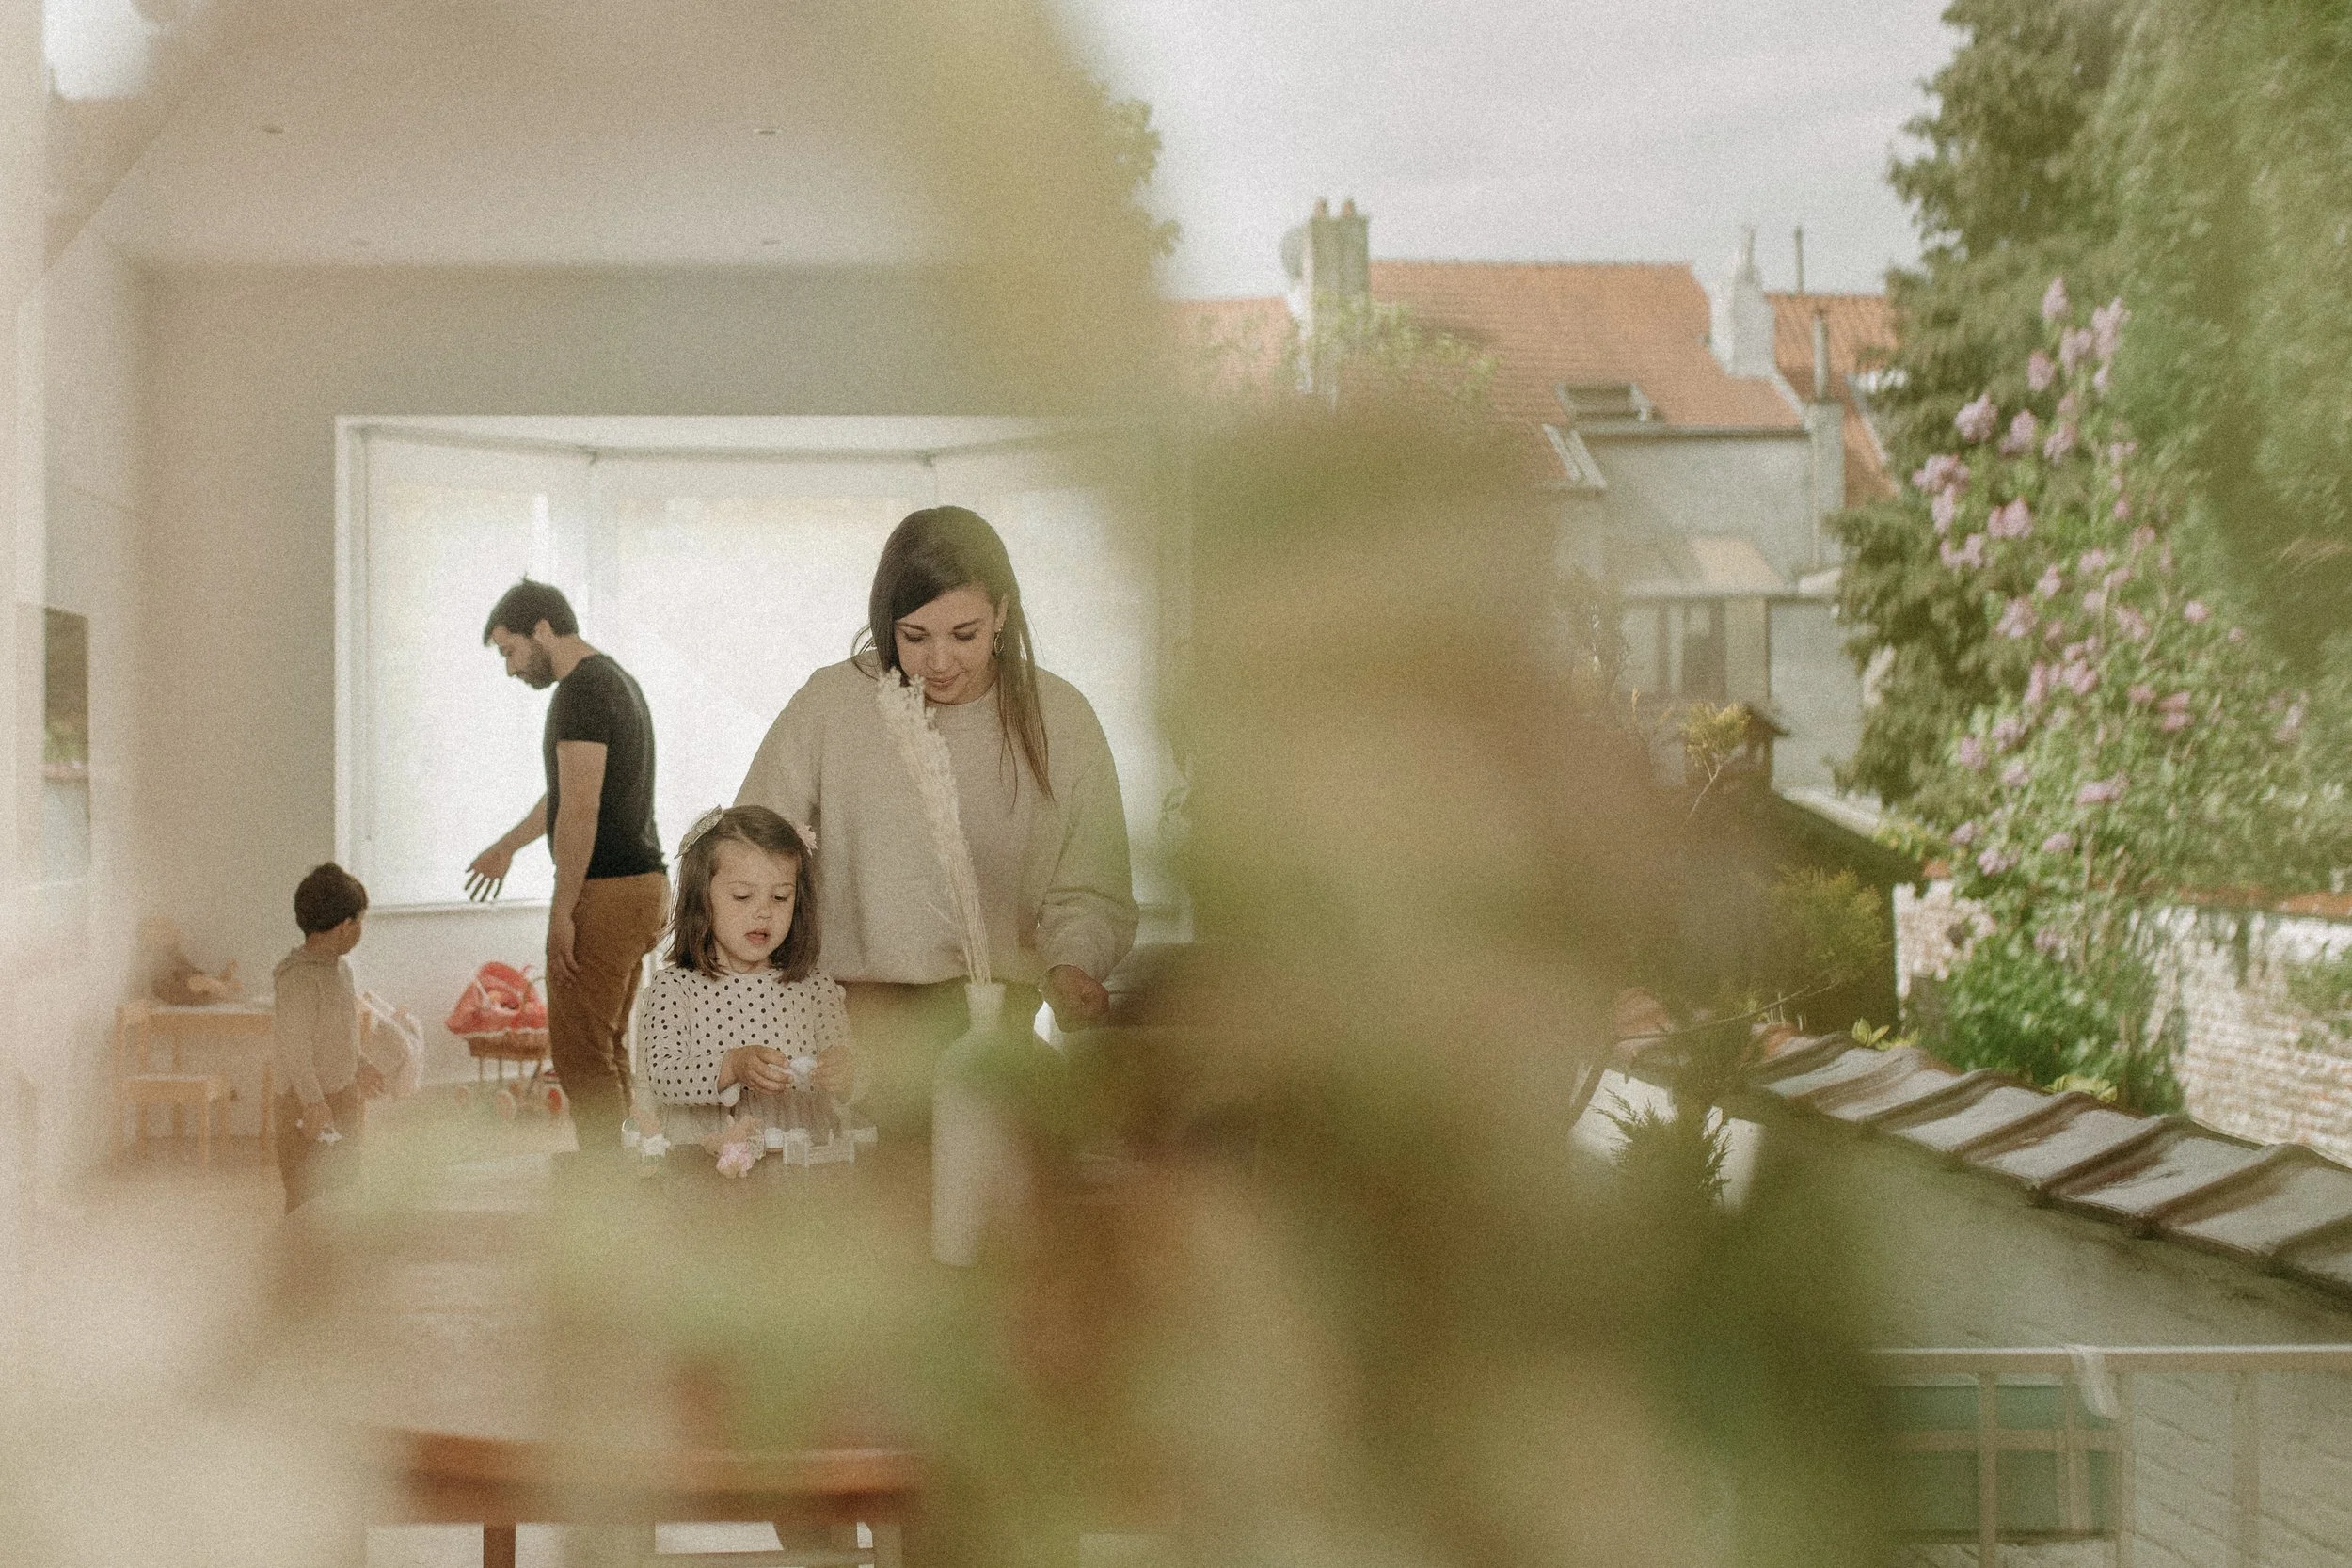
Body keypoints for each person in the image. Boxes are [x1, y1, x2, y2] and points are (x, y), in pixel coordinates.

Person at [735, 505, 1137, 1135]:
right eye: (914, 637)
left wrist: (1072, 962)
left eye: (965, 634)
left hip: (997, 1031)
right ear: (885, 624)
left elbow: (1091, 886)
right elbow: (749, 850)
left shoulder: (1062, 718)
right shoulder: (833, 703)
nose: (940, 661)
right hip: (855, 1034)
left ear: (1003, 614)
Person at [466, 579, 669, 1154]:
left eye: (510, 651)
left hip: (608, 892)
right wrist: (508, 845)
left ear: (543, 629)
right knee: (603, 1046)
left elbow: (581, 808)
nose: (510, 670)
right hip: (643, 888)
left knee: (579, 1054)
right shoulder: (616, 681)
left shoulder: (579, 692)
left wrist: (562, 911)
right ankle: (626, 1173)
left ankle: (604, 1194)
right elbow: (564, 795)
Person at [639, 806, 853, 1159]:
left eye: (781, 897)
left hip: (796, 1168)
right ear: (701, 899)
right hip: (704, 1164)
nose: (764, 911)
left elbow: (849, 1064)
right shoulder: (675, 989)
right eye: (742, 896)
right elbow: (663, 1077)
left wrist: (844, 1070)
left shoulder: (816, 988)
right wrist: (732, 1066)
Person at [272, 862, 400, 1212]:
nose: (362, 929)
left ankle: (334, 1257)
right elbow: (295, 1050)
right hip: (304, 1103)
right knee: (306, 1192)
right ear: (346, 927)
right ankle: (302, 1261)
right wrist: (313, 1101)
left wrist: (359, 1064)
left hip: (340, 1097)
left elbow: (340, 1032)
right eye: (361, 921)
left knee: (343, 1185)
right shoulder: (297, 978)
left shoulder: (340, 971)